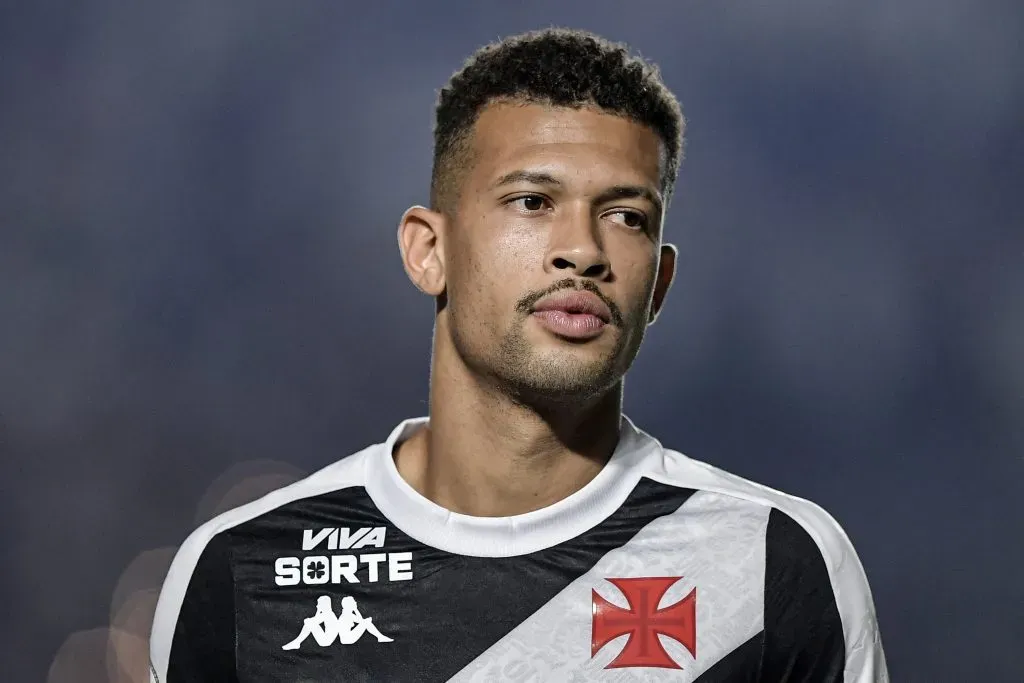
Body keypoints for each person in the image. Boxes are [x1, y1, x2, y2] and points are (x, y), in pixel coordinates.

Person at [149, 28, 888, 682]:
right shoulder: (241, 573)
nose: (583, 250)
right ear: (429, 251)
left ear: (659, 283)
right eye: (533, 201)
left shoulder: (773, 564)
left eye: (626, 216)